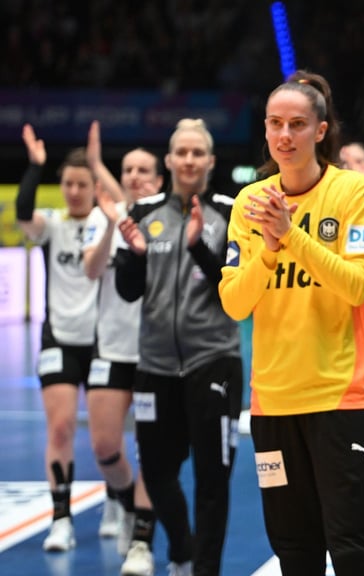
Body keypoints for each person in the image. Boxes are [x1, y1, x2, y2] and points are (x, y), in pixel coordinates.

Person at [219, 70, 364, 575]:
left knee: (353, 550)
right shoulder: (251, 202)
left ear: (320, 129)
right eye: (275, 124)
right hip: (272, 403)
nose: (284, 136)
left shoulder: (355, 192)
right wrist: (268, 250)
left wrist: (291, 235)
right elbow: (234, 302)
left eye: (296, 124)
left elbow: (358, 284)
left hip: (341, 399)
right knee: (294, 554)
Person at [116, 118, 241, 576]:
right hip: (155, 365)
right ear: (168, 160)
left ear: (210, 161)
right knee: (155, 470)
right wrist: (134, 258)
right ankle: (183, 550)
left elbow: (237, 293)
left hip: (214, 362)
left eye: (197, 153)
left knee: (213, 479)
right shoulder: (142, 213)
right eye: (181, 153)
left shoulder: (231, 212)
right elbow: (128, 291)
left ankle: (204, 569)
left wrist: (200, 250)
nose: (188, 160)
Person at [81, 121, 162, 575]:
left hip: (154, 353)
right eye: (127, 169)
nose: (134, 176)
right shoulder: (102, 218)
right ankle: (123, 496)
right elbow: (93, 271)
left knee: (150, 449)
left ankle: (142, 540)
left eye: (143, 170)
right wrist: (113, 225)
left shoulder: (163, 220)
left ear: (158, 178)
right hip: (110, 350)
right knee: (105, 447)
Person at [16, 125, 100, 553]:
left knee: (109, 439)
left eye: (82, 184)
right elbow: (23, 212)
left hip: (104, 342)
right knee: (61, 427)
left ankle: (120, 503)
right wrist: (35, 167)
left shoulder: (107, 225)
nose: (73, 191)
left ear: (94, 187)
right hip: (59, 340)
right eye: (67, 183)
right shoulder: (52, 225)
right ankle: (61, 517)